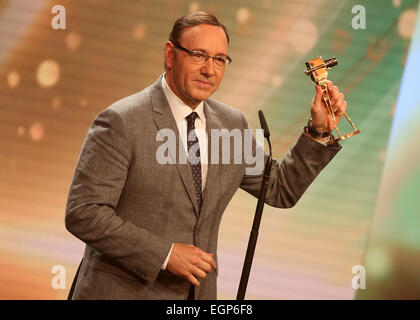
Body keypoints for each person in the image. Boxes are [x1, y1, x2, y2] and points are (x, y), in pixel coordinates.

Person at [65, 11, 347, 300]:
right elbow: (84, 213)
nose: (209, 70)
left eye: (220, 59)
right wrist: (165, 254)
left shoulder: (231, 123)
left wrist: (318, 131)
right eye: (199, 55)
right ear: (170, 54)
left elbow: (279, 189)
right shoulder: (122, 121)